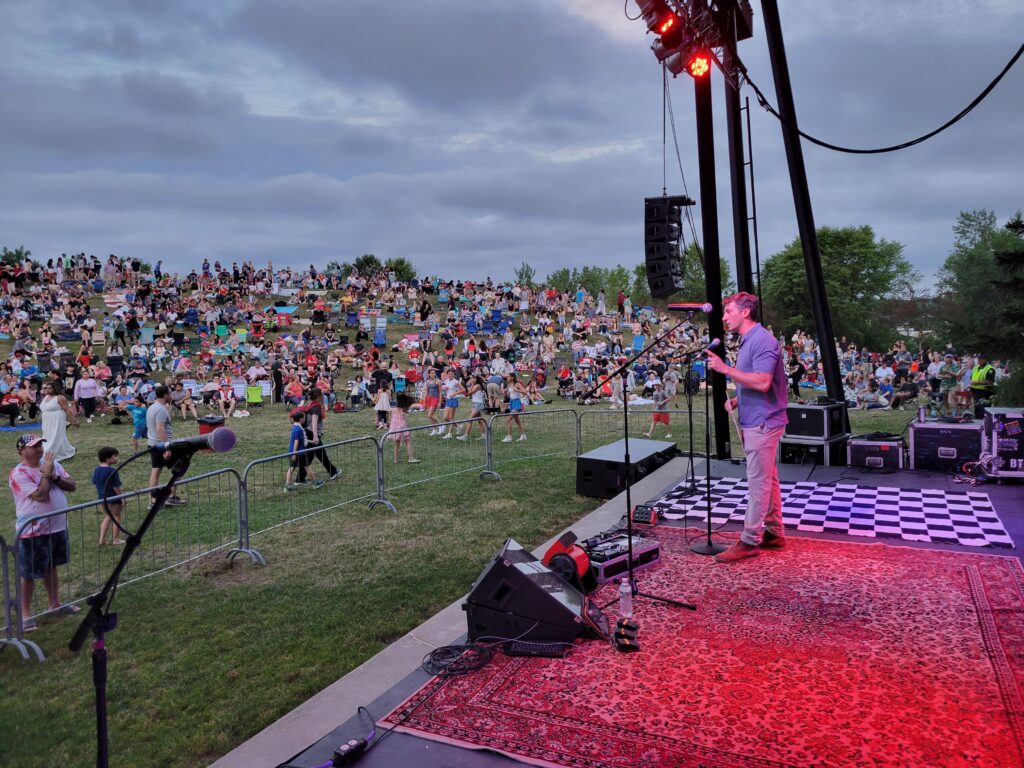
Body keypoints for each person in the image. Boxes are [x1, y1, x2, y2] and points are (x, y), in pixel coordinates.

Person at [705, 292, 788, 563]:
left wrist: (724, 369)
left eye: (729, 312)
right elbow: (758, 381)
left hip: (764, 423)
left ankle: (750, 540)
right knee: (769, 479)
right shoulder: (749, 340)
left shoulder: (763, 341)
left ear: (745, 312)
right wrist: (739, 400)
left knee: (758, 483)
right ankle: (775, 533)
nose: (724, 317)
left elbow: (763, 382)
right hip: (757, 419)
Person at [9, 434, 81, 631]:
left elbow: (72, 485)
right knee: (29, 573)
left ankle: (54, 603)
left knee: (52, 566)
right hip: (32, 531)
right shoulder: (19, 473)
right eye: (34, 446)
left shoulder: (52, 465)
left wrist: (53, 474)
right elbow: (40, 495)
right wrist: (47, 475)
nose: (39, 449)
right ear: (22, 450)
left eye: (40, 445)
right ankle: (25, 614)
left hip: (56, 526)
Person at [146, 385, 186, 507]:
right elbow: (160, 428)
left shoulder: (152, 407)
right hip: (162, 444)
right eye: (170, 393)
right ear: (165, 395)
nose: (172, 395)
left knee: (156, 471)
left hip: (152, 443)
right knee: (178, 468)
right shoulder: (161, 410)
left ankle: (153, 501)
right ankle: (172, 497)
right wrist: (166, 447)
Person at [300, 387, 342, 482]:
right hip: (312, 433)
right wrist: (315, 436)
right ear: (318, 397)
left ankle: (301, 478)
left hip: (307, 431)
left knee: (314, 455)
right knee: (319, 455)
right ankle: (332, 471)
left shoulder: (308, 403)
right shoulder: (316, 407)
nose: (323, 396)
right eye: (322, 395)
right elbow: (314, 421)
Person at [91, 447, 125, 546]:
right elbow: (116, 486)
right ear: (107, 458)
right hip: (113, 498)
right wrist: (122, 497)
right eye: (115, 456)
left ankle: (101, 540)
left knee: (108, 516)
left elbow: (95, 483)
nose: (117, 458)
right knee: (116, 516)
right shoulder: (111, 471)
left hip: (102, 498)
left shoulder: (97, 469)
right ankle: (116, 539)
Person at [40, 380, 79, 462]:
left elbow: (67, 410)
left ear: (55, 389)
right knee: (48, 435)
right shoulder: (46, 397)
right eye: (46, 388)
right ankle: (69, 450)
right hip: (47, 420)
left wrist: (73, 421)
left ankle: (49, 453)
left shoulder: (60, 397)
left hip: (57, 419)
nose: (47, 390)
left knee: (56, 436)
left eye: (49, 388)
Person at [285, 411, 319, 490]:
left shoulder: (295, 427)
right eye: (304, 417)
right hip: (299, 452)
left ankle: (287, 486)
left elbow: (302, 439)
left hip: (294, 451)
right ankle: (314, 483)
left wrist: (312, 441)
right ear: (301, 419)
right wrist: (294, 454)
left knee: (292, 468)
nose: (305, 419)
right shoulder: (299, 430)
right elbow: (296, 442)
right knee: (307, 467)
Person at [387, 393, 420, 463]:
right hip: (402, 426)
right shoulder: (404, 409)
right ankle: (411, 458)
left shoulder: (393, 409)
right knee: (407, 441)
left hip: (394, 427)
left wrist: (390, 420)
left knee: (396, 443)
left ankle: (395, 459)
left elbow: (389, 413)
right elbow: (418, 406)